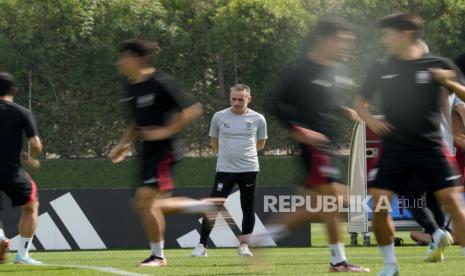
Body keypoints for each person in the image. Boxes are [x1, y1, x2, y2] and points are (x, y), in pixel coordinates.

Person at [252, 18, 369, 273]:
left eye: (349, 42)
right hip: (315, 148)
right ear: (322, 39)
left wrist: (344, 111)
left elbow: (321, 104)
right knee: (344, 201)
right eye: (341, 40)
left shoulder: (336, 71)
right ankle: (335, 260)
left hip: (328, 146)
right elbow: (277, 104)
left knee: (322, 207)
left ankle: (336, 261)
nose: (346, 46)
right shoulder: (301, 70)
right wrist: (298, 130)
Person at [354, 13, 465, 276]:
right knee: (379, 204)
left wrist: (446, 81)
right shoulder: (380, 66)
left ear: (407, 34)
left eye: (388, 34)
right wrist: (371, 119)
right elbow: (360, 102)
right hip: (394, 149)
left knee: (452, 203)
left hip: (431, 146)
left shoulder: (439, 64)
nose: (384, 40)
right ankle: (390, 265)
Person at [109, 39, 222, 267]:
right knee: (149, 205)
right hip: (146, 153)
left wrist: (164, 132)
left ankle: (158, 256)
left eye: (125, 56)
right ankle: (203, 207)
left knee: (144, 202)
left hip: (165, 151)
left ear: (139, 59)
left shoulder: (161, 83)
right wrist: (123, 144)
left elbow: (192, 110)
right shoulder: (131, 85)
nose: (121, 61)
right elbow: (136, 122)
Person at [191, 84, 267, 257]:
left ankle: (244, 246)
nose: (237, 103)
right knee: (213, 207)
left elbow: (261, 143)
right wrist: (227, 156)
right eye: (234, 99)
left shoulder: (258, 119)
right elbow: (214, 141)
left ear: (249, 99)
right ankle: (202, 246)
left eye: (241, 99)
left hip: (249, 169)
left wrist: (244, 156)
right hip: (225, 170)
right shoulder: (219, 117)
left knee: (247, 208)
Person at [0, 72, 43, 264]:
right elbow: (35, 143)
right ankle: (22, 255)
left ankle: (0, 237)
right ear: (14, 90)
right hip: (11, 171)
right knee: (31, 206)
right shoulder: (21, 112)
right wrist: (32, 158)